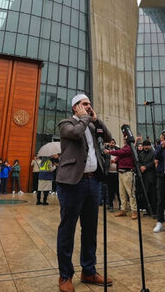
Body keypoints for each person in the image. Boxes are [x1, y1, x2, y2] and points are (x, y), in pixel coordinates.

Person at [55, 94, 112, 292]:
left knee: (90, 229)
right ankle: (65, 275)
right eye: (84, 104)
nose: (89, 106)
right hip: (72, 183)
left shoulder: (90, 123)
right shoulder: (66, 123)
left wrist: (96, 120)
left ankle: (88, 270)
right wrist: (86, 118)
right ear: (75, 107)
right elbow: (76, 134)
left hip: (92, 182)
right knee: (67, 230)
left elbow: (108, 137)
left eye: (89, 104)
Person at [107, 137, 138, 219]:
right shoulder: (125, 148)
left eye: (125, 139)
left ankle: (134, 210)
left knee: (131, 193)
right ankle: (123, 210)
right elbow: (120, 155)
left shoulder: (130, 147)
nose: (124, 140)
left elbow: (121, 152)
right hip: (120, 172)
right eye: (123, 138)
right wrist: (115, 160)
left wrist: (109, 152)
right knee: (122, 192)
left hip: (128, 172)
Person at [137, 139, 157, 218]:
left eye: (147, 145)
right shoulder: (141, 154)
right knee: (146, 194)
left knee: (153, 195)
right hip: (143, 177)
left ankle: (154, 211)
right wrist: (141, 167)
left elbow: (154, 162)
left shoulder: (154, 153)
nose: (145, 147)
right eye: (144, 145)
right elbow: (138, 162)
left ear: (149, 146)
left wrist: (146, 167)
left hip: (151, 177)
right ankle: (148, 211)